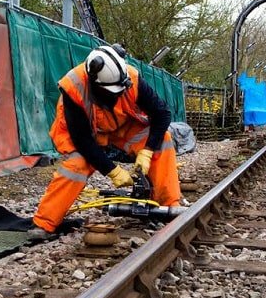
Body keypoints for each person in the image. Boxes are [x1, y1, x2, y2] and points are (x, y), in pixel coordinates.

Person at [30, 44, 181, 239]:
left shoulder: (131, 78)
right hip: (87, 132)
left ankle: (168, 207)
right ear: (96, 84)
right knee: (76, 165)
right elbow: (83, 140)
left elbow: (162, 114)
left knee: (163, 141)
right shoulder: (72, 87)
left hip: (120, 126)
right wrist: (113, 171)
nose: (117, 94)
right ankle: (44, 223)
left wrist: (148, 151)